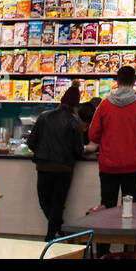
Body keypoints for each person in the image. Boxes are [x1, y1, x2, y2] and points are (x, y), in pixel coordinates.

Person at [88, 66, 136, 255]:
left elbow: (93, 133)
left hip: (108, 164)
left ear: (116, 81)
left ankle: (103, 251)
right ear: (134, 82)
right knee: (131, 210)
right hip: (133, 164)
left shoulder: (105, 104)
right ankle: (130, 251)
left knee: (106, 207)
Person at [26, 84, 86, 242]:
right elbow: (78, 150)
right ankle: (57, 232)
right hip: (64, 168)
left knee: (44, 201)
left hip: (44, 165)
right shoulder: (75, 122)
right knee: (58, 203)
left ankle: (53, 235)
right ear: (75, 105)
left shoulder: (44, 116)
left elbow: (31, 142)